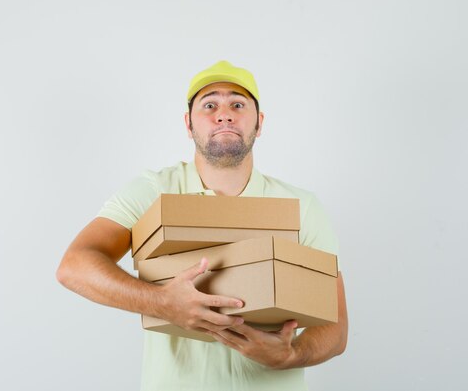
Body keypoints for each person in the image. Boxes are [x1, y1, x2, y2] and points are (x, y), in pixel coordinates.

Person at [57, 61, 348, 391]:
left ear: (260, 122)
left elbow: (336, 328)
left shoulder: (301, 207)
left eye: (237, 104)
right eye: (210, 104)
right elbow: (74, 266)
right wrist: (161, 302)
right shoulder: (155, 190)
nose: (224, 114)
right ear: (188, 124)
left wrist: (291, 355)